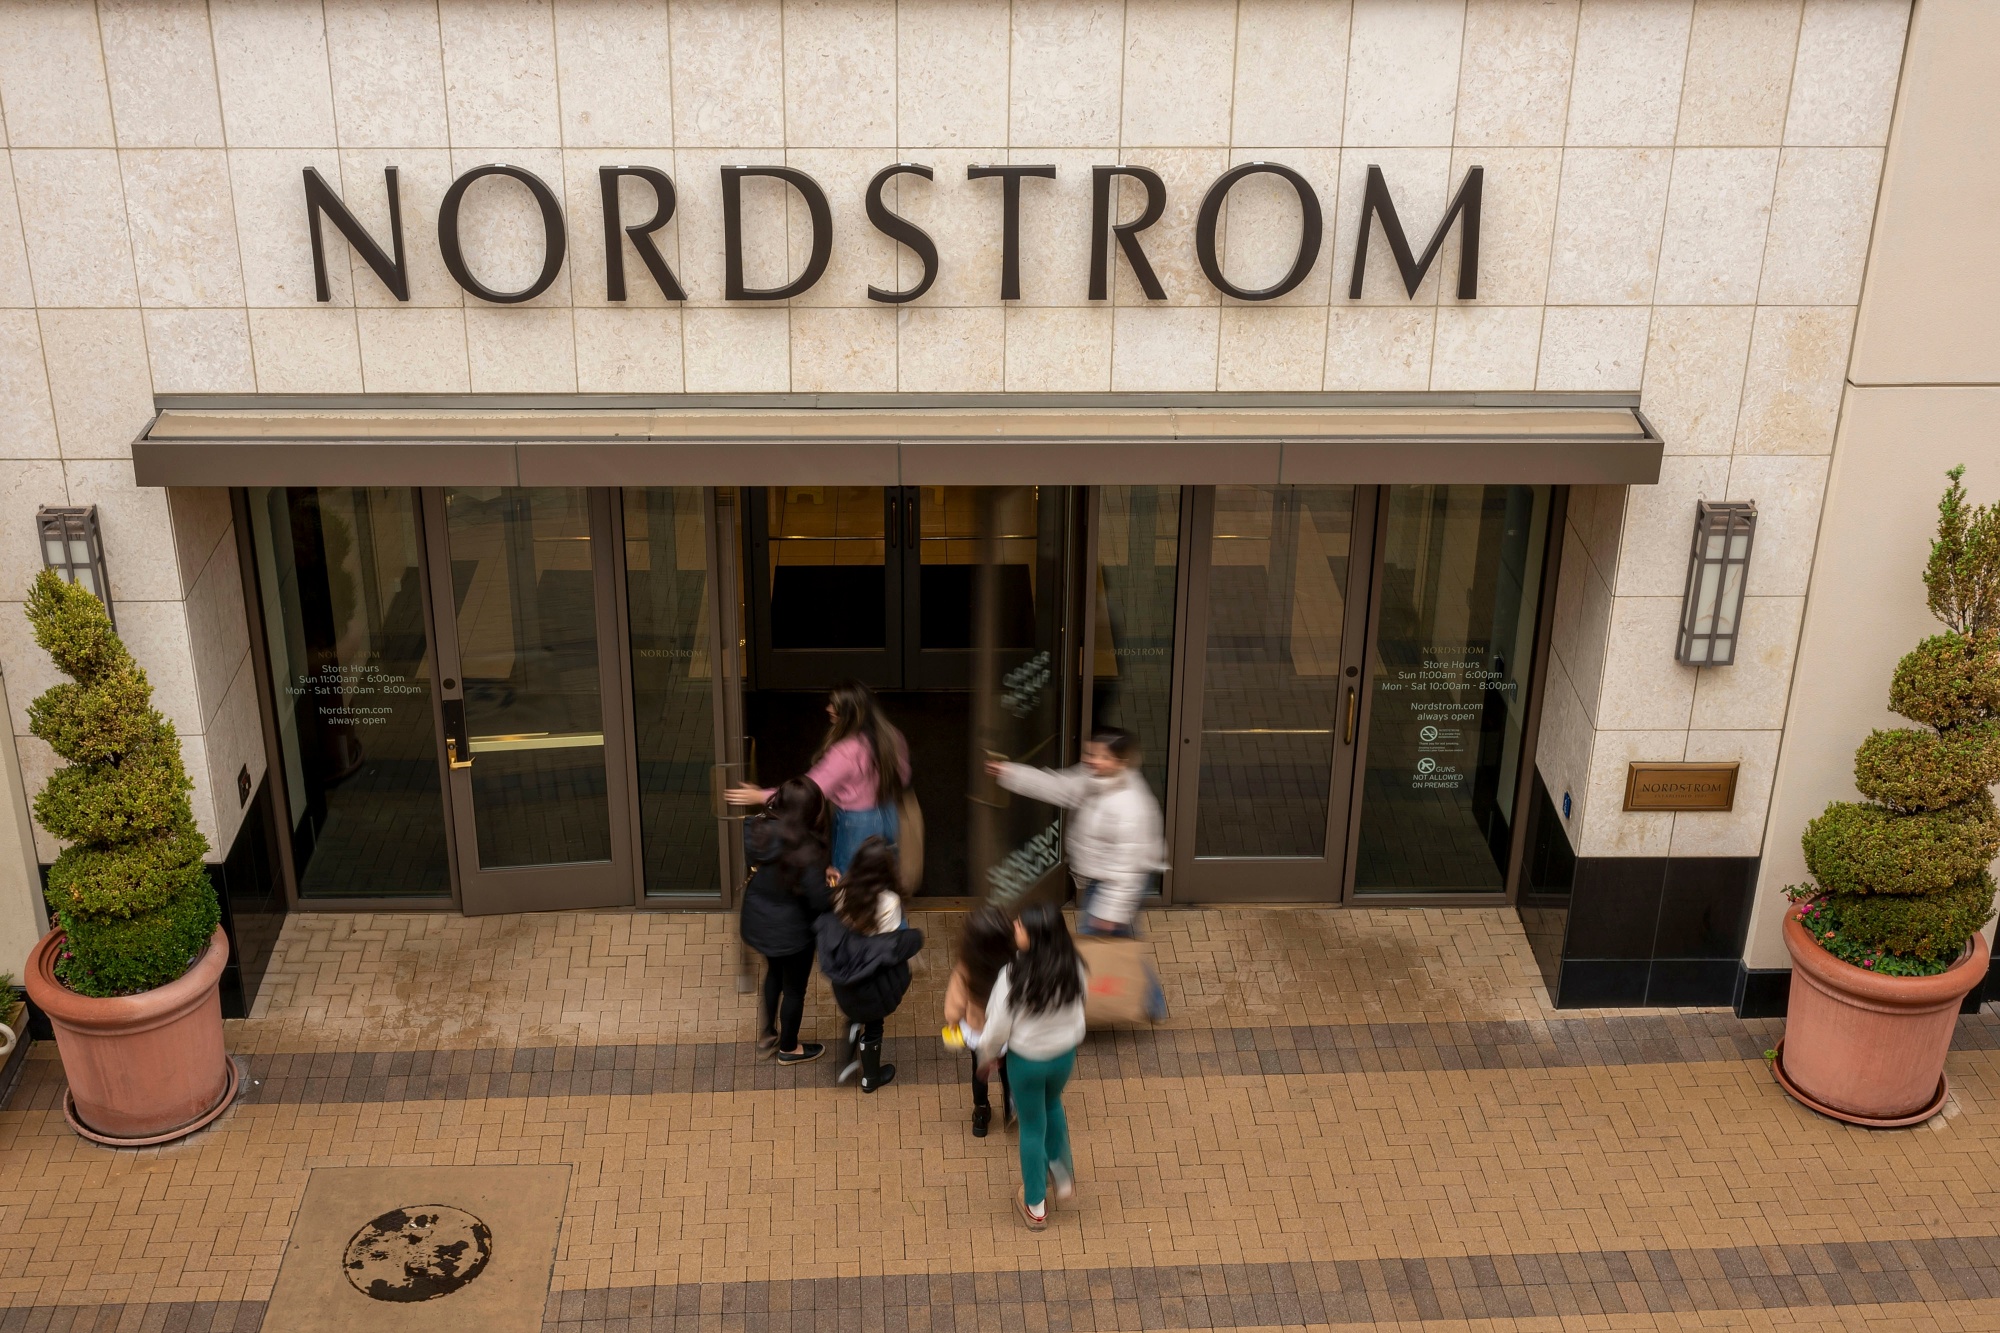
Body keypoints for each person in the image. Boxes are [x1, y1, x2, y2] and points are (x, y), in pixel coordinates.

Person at [988, 725, 1168, 1020]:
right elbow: (1058, 787)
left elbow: (1128, 868)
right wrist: (1009, 773)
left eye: (1101, 756)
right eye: (1090, 753)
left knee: (1092, 944)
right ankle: (1151, 1003)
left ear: (1120, 762)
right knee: (1121, 944)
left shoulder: (1130, 805)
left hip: (1114, 885)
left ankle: (1080, 1008)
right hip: (1104, 879)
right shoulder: (1096, 779)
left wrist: (1109, 912)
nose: (1092, 760)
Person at [728, 680, 912, 876]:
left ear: (849, 713)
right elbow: (903, 777)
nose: (828, 708)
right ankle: (888, 906)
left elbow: (808, 790)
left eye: (834, 705)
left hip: (857, 824)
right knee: (885, 874)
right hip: (888, 813)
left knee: (849, 878)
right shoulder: (892, 736)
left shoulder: (846, 752)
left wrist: (759, 796)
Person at [978, 904, 1087, 1230]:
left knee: (1030, 1125)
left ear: (1035, 937)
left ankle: (1036, 1203)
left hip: (1027, 1062)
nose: (1015, 925)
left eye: (1021, 925)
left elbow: (997, 1028)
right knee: (1052, 1104)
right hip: (1063, 1056)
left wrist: (987, 1055)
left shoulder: (1012, 976)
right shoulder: (1074, 966)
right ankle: (1060, 1168)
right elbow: (1080, 1012)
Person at [814, 836, 923, 1092]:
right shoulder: (889, 902)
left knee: (854, 1013)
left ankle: (847, 1061)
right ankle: (871, 1077)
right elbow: (891, 944)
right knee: (875, 1022)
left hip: (847, 977)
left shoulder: (841, 891)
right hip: (875, 977)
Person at [739, 778, 833, 1065]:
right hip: (792, 932)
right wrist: (831, 884)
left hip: (759, 920)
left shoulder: (757, 828)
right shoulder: (807, 850)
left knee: (773, 974)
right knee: (794, 989)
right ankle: (789, 1049)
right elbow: (820, 901)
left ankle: (768, 1034)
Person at [943, 904, 1016, 1137]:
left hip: (979, 1034)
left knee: (980, 1072)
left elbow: (954, 1007)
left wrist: (953, 1023)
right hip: (1008, 1032)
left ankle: (981, 1115)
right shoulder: (1015, 964)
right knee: (1008, 1072)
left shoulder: (966, 968)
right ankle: (1012, 1107)